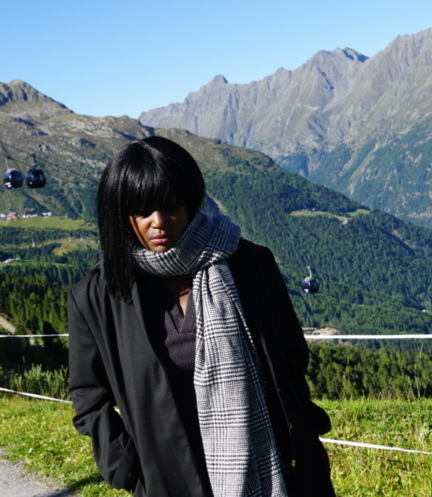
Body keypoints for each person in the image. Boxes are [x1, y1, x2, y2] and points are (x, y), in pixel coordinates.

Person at [68, 136, 335, 497]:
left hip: (270, 466)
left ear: (191, 201)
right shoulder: (98, 296)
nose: (159, 222)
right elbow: (89, 397)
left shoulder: (250, 265)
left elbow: (290, 356)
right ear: (121, 214)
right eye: (142, 211)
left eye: (172, 205)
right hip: (167, 477)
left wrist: (298, 428)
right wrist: (127, 468)